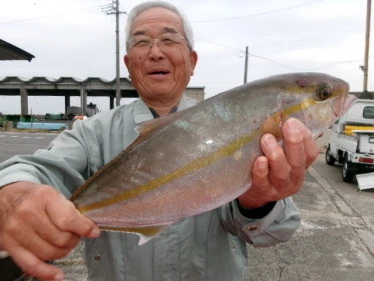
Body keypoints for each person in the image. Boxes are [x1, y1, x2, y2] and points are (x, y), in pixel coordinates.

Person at [0, 1, 319, 281]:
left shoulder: (237, 124)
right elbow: (37, 169)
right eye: (142, 42)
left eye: (169, 39)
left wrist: (257, 202)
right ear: (128, 64)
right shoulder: (93, 133)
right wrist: (14, 192)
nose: (155, 52)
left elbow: (280, 229)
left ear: (192, 60)